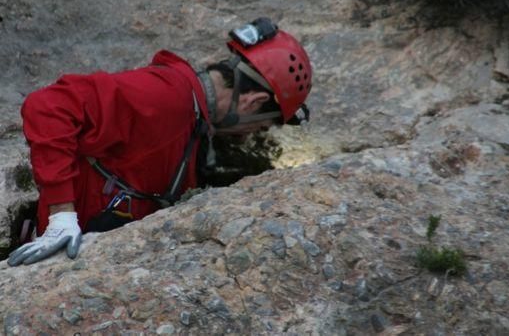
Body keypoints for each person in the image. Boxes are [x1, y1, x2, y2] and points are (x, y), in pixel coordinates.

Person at [7, 18, 312, 266]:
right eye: (260, 127)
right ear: (251, 101)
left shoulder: (192, 123)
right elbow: (48, 107)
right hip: (56, 253)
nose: (248, 136)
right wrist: (62, 216)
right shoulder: (167, 98)